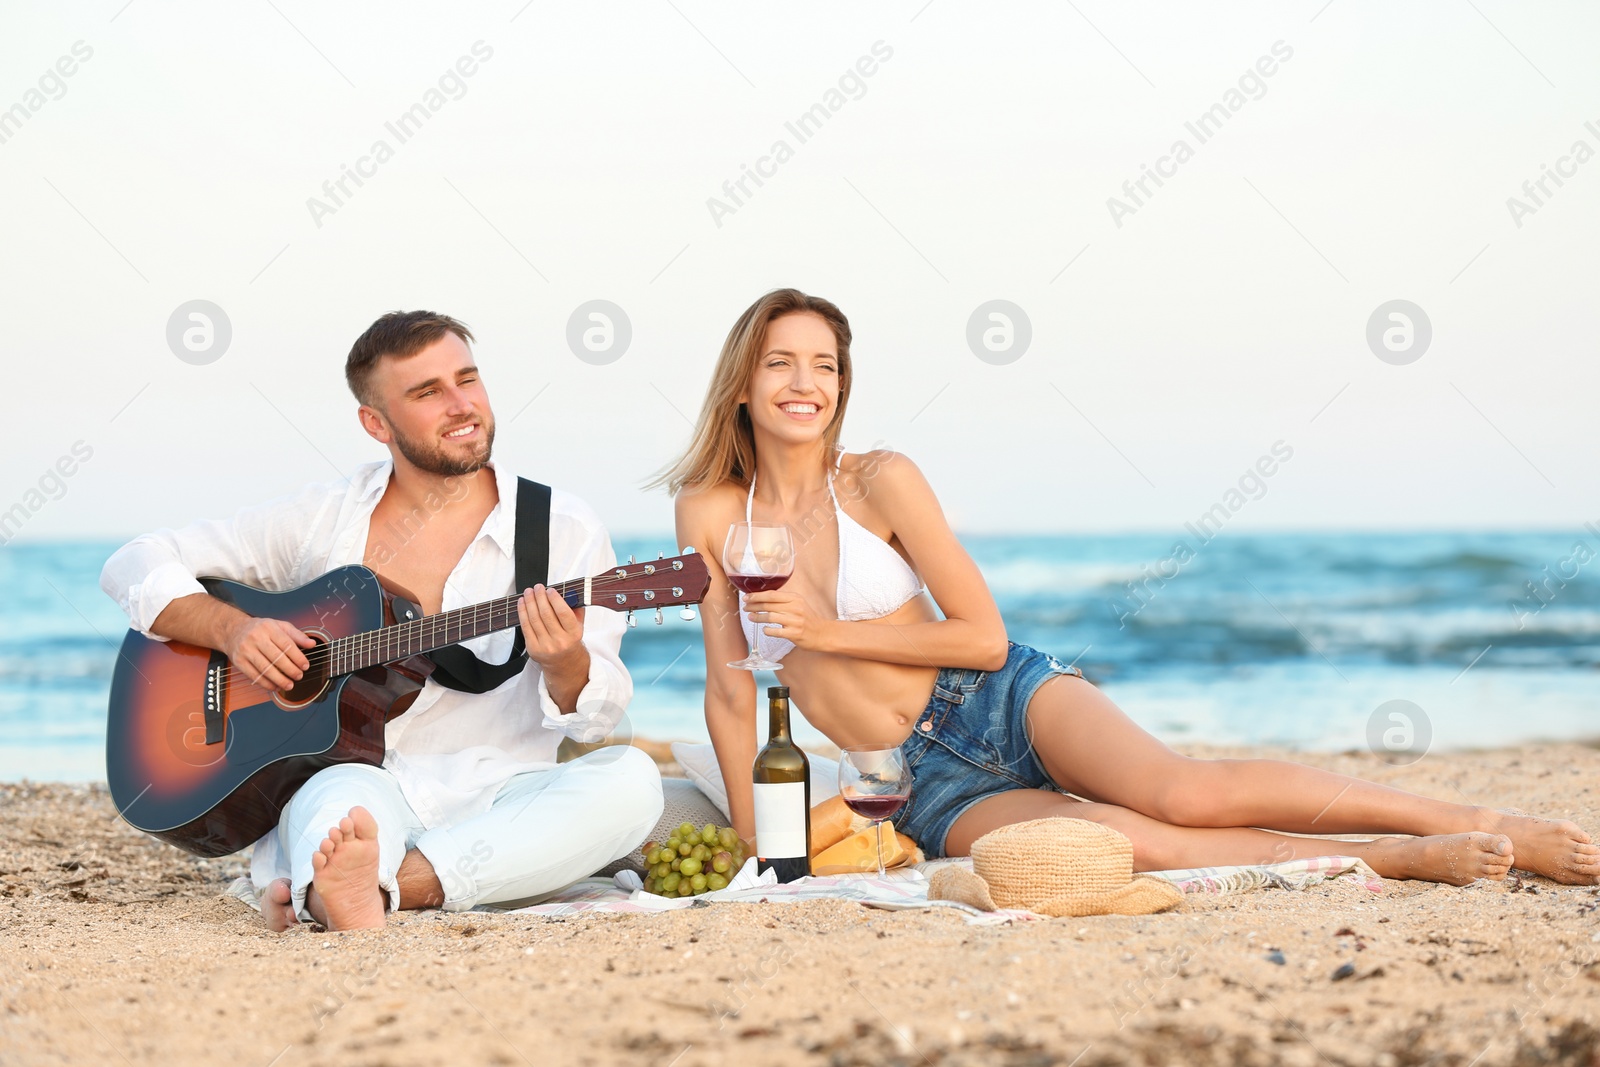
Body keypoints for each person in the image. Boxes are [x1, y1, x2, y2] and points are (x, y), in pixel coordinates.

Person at [662, 288, 1600, 887]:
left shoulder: (880, 479)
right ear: (743, 381)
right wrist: (758, 842)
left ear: (842, 385)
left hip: (998, 697)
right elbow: (729, 687)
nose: (805, 382)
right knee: (1122, 841)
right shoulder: (709, 511)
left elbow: (982, 637)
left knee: (1180, 793)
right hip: (913, 779)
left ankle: (1476, 817)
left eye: (823, 364)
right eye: (782, 361)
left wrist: (825, 634)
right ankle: (1390, 859)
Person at [100, 311, 663, 930]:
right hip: (354, 783)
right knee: (335, 808)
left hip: (502, 793)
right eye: (427, 393)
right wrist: (235, 631)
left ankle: (370, 888)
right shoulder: (325, 519)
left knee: (633, 784)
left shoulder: (564, 529)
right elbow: (135, 562)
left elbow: (599, 715)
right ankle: (366, 875)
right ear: (376, 423)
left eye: (467, 379)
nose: (461, 405)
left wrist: (566, 662)